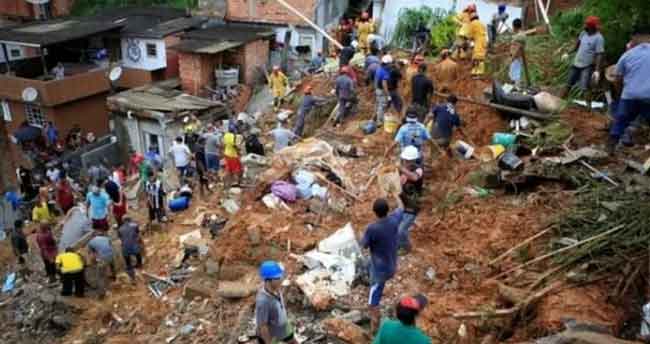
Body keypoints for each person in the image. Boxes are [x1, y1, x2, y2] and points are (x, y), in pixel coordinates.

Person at [360, 198, 404, 333]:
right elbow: (401, 208)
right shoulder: (393, 220)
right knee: (367, 263)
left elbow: (363, 245)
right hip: (391, 264)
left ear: (374, 212)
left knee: (372, 303)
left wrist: (361, 235)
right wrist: (396, 194)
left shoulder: (372, 229)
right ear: (387, 210)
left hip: (380, 271)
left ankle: (374, 330)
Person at [608, 26, 650, 152]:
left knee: (620, 121)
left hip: (629, 95)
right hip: (648, 95)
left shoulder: (627, 55)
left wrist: (621, 94)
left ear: (635, 38)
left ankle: (610, 147)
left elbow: (616, 79)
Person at [561, 16, 605, 97]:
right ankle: (560, 102)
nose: (585, 26)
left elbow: (599, 54)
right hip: (576, 63)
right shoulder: (583, 33)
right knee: (568, 83)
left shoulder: (599, 38)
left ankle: (588, 108)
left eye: (587, 25)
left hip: (587, 66)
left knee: (584, 87)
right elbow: (576, 46)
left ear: (592, 27)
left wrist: (597, 71)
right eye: (585, 24)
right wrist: (567, 53)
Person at [255, 261, 297, 344]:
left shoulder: (276, 288)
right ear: (268, 281)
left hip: (283, 327)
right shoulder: (263, 301)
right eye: (277, 278)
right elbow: (263, 326)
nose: (281, 279)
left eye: (280, 276)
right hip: (271, 335)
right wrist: (269, 342)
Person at [395, 146, 423, 253]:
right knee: (395, 223)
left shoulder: (419, 169)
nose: (406, 162)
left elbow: (414, 177)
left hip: (413, 206)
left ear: (413, 160)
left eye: (408, 160)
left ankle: (406, 248)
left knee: (401, 230)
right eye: (405, 160)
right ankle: (398, 243)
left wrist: (401, 169)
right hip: (403, 203)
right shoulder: (404, 169)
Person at [118, 217, 143, 283]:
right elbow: (139, 234)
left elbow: (120, 239)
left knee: (126, 257)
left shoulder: (120, 229)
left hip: (125, 248)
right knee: (138, 253)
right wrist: (139, 241)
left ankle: (129, 267)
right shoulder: (135, 225)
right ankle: (139, 264)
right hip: (134, 247)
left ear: (123, 221)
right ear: (130, 220)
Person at [375, 54, 394, 126]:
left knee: (379, 105)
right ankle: (380, 122)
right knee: (382, 106)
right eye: (390, 64)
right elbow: (384, 84)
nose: (391, 65)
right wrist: (388, 95)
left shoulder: (379, 68)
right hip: (382, 90)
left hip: (378, 89)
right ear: (387, 63)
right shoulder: (384, 72)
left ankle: (379, 120)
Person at [468, 13, 488, 78]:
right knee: (480, 58)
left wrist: (470, 42)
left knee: (477, 57)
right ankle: (477, 73)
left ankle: (477, 74)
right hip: (484, 41)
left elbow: (470, 36)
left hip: (478, 41)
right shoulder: (482, 23)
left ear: (472, 18)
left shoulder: (472, 23)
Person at [509, 19, 527, 87]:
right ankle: (514, 89)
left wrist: (513, 57)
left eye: (513, 26)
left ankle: (516, 90)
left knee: (515, 76)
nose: (512, 28)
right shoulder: (519, 35)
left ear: (515, 26)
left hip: (516, 58)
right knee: (513, 74)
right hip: (515, 57)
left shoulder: (520, 36)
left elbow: (518, 48)